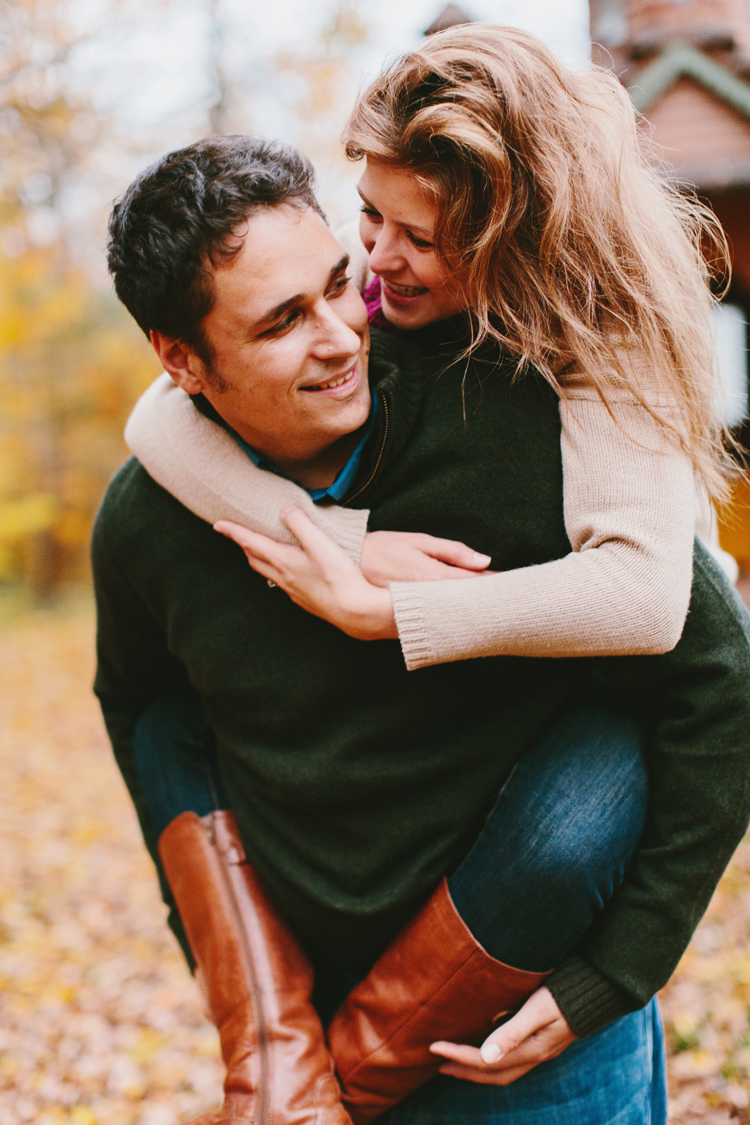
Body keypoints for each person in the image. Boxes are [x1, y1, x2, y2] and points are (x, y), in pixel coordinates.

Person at [97, 131, 750, 1125]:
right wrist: (237, 980)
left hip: (537, 1040)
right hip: (309, 1029)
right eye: (282, 322)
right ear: (182, 359)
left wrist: (611, 977)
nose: (341, 334)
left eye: (336, 283)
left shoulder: (516, 420)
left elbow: (720, 690)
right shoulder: (148, 522)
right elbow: (146, 715)